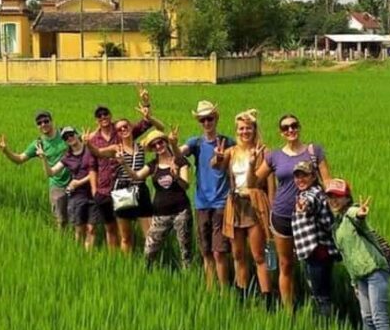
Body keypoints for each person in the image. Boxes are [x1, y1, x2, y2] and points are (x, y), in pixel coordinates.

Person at [249, 114, 332, 311]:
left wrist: (344, 204)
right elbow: (254, 183)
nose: (290, 130)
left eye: (294, 126)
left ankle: (320, 308)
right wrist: (252, 164)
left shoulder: (314, 151)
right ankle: (289, 312)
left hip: (310, 219)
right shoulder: (274, 156)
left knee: (313, 265)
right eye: (285, 128)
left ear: (299, 127)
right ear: (281, 132)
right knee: (286, 265)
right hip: (282, 217)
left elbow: (328, 182)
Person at [211, 109, 275, 307]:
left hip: (255, 205)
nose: (244, 132)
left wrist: (271, 212)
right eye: (241, 128)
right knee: (238, 254)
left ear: (254, 129)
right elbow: (216, 166)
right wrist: (217, 158)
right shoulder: (231, 151)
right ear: (236, 131)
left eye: (248, 128)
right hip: (235, 205)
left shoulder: (264, 151)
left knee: (258, 255)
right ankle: (242, 295)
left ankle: (267, 299)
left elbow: (271, 185)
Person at [86, 88, 161, 249]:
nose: (103, 117)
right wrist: (87, 143)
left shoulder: (136, 141)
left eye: (105, 114)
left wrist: (146, 103)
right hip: (117, 189)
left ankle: (148, 265)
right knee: (122, 235)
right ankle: (121, 265)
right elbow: (96, 156)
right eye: (99, 115)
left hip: (139, 189)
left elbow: (149, 124)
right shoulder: (107, 143)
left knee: (148, 233)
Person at [327, 179, 390, 330]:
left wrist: (361, 213)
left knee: (379, 318)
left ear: (347, 198)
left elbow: (358, 215)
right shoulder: (337, 226)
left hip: (375, 271)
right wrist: (354, 283)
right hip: (359, 276)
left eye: (338, 196)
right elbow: (347, 257)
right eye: (330, 196)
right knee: (367, 318)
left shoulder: (350, 213)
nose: (333, 200)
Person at [118, 129, 192, 271]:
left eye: (160, 142)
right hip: (160, 213)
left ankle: (188, 278)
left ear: (166, 142)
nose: (158, 146)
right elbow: (136, 176)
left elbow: (186, 186)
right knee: (149, 251)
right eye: (154, 145)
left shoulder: (180, 161)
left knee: (185, 252)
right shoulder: (153, 165)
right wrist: (124, 164)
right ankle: (145, 276)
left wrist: (176, 176)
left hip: (181, 212)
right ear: (152, 149)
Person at [179, 100, 234, 289]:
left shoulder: (228, 142)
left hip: (221, 203)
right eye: (202, 120)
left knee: (220, 251)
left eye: (209, 118)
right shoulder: (196, 143)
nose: (206, 123)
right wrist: (170, 142)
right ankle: (210, 290)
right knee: (206, 251)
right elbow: (180, 154)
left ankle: (224, 291)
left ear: (216, 118)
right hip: (202, 203)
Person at [0, 110, 70, 228]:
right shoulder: (38, 144)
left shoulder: (65, 133)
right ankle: (63, 242)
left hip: (76, 180)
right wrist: (6, 151)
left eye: (46, 121)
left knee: (80, 220)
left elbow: (85, 140)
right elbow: (20, 159)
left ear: (52, 121)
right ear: (37, 126)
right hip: (57, 184)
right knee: (61, 221)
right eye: (39, 123)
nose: (43, 124)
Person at [291, 161, 340, 318]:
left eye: (304, 175)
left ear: (313, 176)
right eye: (297, 176)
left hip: (318, 253)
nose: (300, 179)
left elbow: (309, 202)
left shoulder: (313, 194)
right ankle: (325, 328)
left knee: (321, 296)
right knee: (320, 293)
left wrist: (304, 206)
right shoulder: (312, 192)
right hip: (315, 253)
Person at [36, 126, 98, 249]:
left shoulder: (89, 150)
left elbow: (97, 171)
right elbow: (51, 173)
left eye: (71, 134)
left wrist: (79, 182)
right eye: (65, 137)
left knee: (91, 229)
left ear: (76, 134)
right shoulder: (67, 157)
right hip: (77, 195)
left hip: (93, 192)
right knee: (79, 230)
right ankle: (79, 255)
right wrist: (43, 159)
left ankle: (89, 256)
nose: (69, 138)